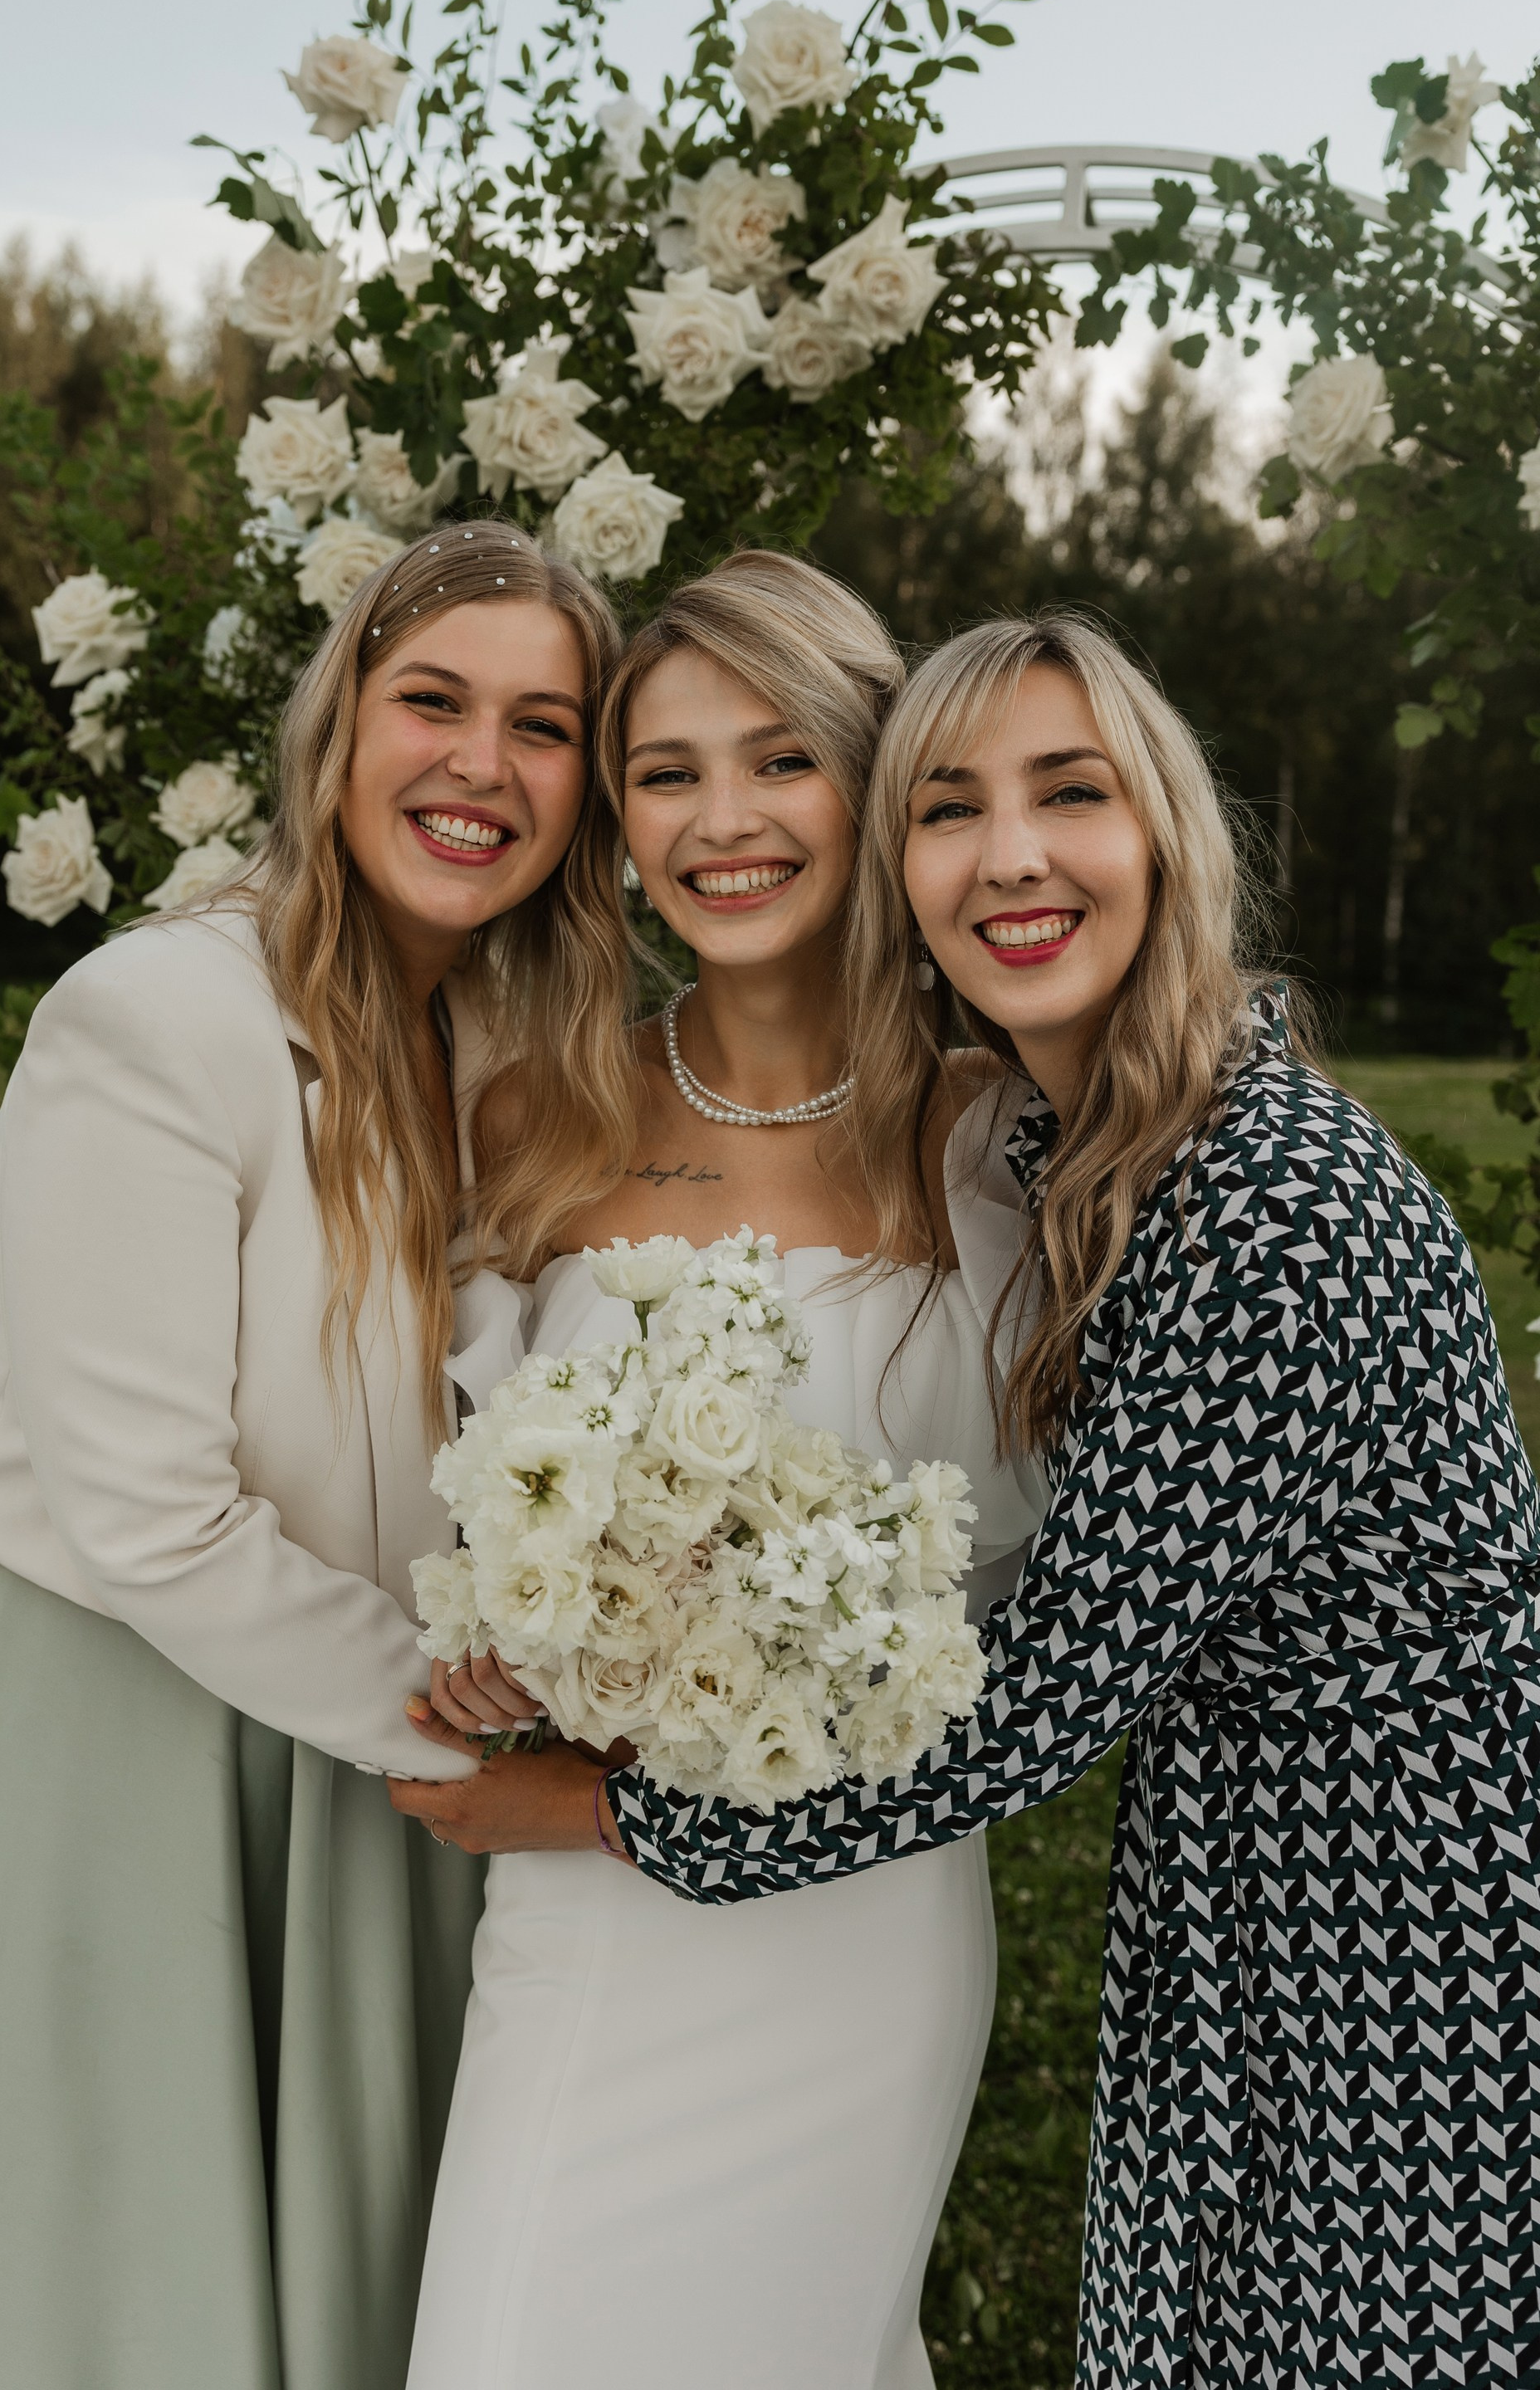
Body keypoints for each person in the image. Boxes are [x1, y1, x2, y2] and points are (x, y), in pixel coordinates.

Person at [404, 609, 1540, 2388]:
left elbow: (1039, 1698)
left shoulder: (1273, 1210)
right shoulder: (1093, 1150)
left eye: (1069, 793)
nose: (1010, 856)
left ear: (1167, 827)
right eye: (955, 808)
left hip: (1403, 1928)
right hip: (1240, 1892)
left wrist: (606, 1815)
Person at [0, 520, 621, 2390]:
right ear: (339, 723)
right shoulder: (152, 1018)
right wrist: (472, 1731)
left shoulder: (502, 1038)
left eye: (543, 727)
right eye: (434, 700)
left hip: (362, 1710)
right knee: (120, 2265)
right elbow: (147, 1515)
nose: (481, 764)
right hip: (120, 1713)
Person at [395, 552, 1047, 2390]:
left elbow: (1051, 1585)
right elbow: (451, 1479)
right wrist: (490, 1637)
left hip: (869, 1906)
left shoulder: (1000, 1141)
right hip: (589, 1900)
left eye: (780, 760)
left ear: (873, 780)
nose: (722, 820)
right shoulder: (538, 1113)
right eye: (665, 774)